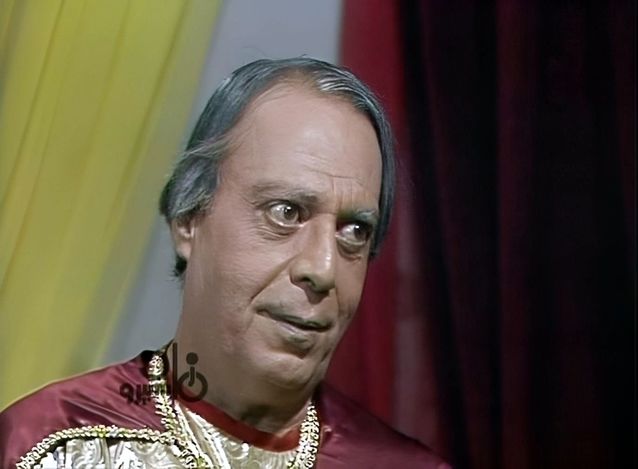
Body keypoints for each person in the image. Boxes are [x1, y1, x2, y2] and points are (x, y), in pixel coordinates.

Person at [0, 58, 450, 468]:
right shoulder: (48, 449)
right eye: (286, 213)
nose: (323, 268)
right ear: (188, 220)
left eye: (354, 231)